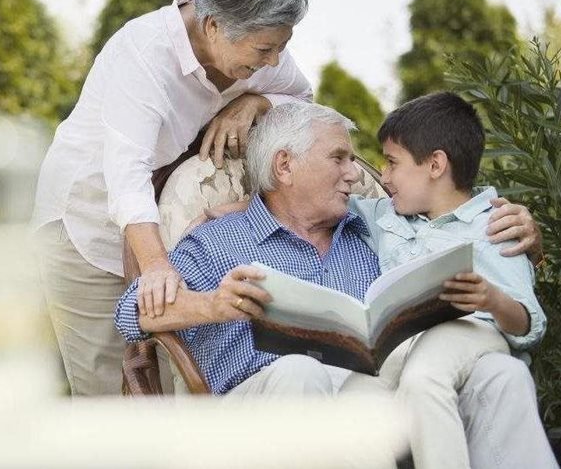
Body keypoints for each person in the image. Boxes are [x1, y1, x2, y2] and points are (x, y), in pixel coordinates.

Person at [33, 0, 314, 395]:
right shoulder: (144, 53)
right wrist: (157, 268)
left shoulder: (257, 49)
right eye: (266, 49)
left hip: (162, 222)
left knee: (169, 388)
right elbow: (127, 174)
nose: (275, 61)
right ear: (213, 25)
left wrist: (254, 102)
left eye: (282, 47)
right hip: (87, 228)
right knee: (111, 393)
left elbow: (303, 100)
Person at [343, 91, 556, 469]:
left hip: (469, 329)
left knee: (424, 381)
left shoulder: (493, 225)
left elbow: (528, 325)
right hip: (402, 336)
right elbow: (317, 200)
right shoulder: (386, 217)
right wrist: (247, 207)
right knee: (353, 398)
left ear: (436, 164)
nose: (382, 177)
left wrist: (490, 298)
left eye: (392, 163)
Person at [116, 103, 385, 396]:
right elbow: (130, 313)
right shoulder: (218, 241)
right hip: (264, 402)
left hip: (365, 396)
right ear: (284, 165)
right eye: (339, 158)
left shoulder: (368, 235)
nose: (355, 174)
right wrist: (212, 305)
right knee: (301, 370)